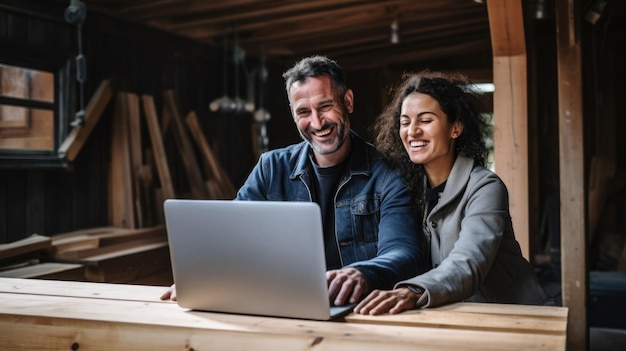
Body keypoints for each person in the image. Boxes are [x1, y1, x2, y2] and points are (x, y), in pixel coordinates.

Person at [162, 55, 424, 306]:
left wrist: (362, 273)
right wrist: (202, 274)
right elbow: (233, 239)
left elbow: (404, 252)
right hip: (283, 305)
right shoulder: (271, 168)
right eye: (304, 112)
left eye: (325, 106)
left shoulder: (389, 173)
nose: (317, 122)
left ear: (348, 101)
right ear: (293, 114)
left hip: (360, 310)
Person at [354, 71, 547, 315]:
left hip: (517, 318)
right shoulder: (406, 191)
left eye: (425, 120)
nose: (412, 131)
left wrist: (413, 291)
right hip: (454, 319)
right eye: (405, 122)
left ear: (455, 128)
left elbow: (468, 264)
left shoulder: (486, 187)